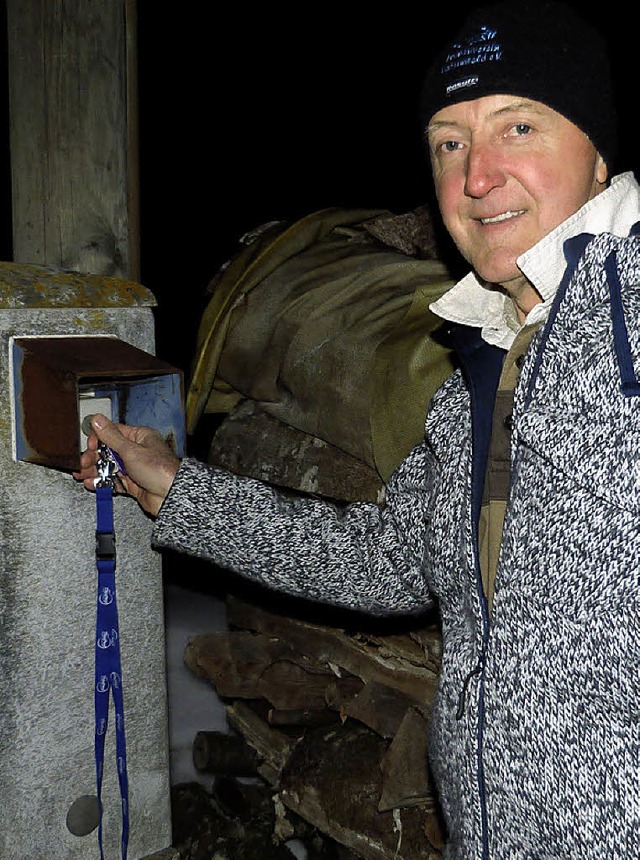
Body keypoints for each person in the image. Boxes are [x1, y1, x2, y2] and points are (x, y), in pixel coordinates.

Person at [76, 3, 640, 857]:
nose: (476, 177)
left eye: (517, 127)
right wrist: (179, 490)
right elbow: (390, 559)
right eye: (449, 142)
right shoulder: (485, 363)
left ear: (597, 152)